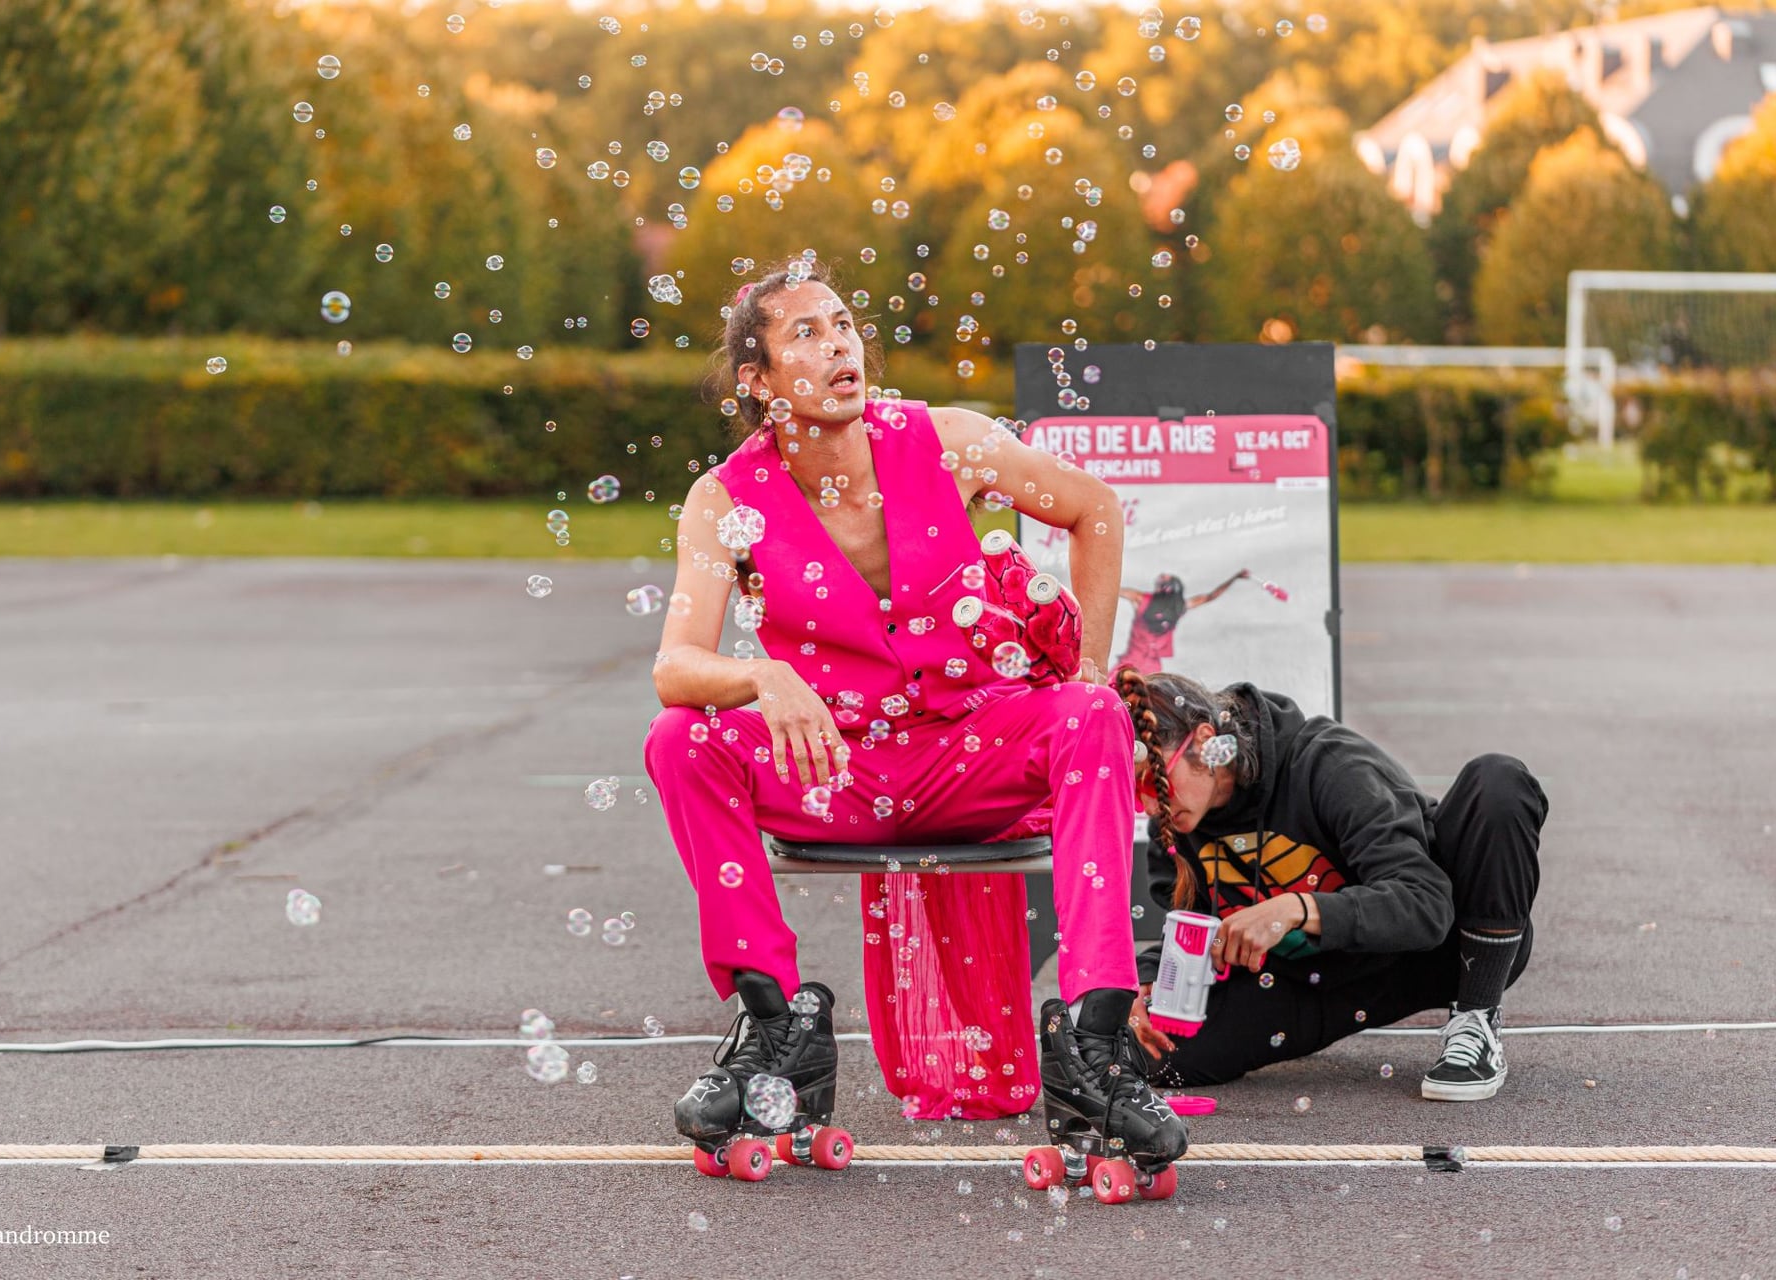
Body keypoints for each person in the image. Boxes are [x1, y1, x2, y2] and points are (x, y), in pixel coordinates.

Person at [645, 257, 1186, 1172]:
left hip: (971, 754)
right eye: (806, 333)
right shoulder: (726, 499)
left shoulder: (945, 440)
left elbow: (1093, 509)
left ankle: (1095, 1047)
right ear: (758, 381)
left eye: (844, 324)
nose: (839, 345)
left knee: (1092, 715)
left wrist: (1088, 671)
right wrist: (761, 679)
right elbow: (675, 666)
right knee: (681, 738)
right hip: (838, 770)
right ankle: (777, 1027)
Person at [1112, 668, 1546, 1101]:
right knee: (1145, 1052)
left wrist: (1295, 909)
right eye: (1133, 792)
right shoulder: (1173, 832)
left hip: (1436, 951)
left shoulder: (1330, 766)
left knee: (1498, 783)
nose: (1150, 805)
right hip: (1312, 982)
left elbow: (1426, 904)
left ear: (1206, 742)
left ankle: (1476, 1016)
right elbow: (1195, 936)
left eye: (1155, 781)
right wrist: (1146, 981)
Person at [1113, 570, 1252, 675]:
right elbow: (1210, 596)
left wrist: (1234, 577)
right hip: (1141, 665)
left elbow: (1210, 596)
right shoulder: (1176, 607)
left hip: (1139, 664)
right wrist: (1235, 577)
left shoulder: (1144, 600)